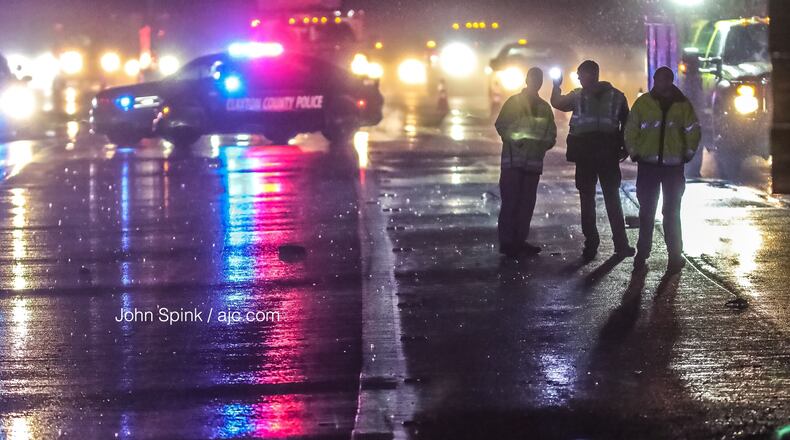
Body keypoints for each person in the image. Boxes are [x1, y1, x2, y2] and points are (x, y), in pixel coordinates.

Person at [551, 60, 635, 260]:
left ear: (590, 75)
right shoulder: (617, 96)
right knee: (611, 199)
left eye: (581, 74)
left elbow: (558, 103)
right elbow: (628, 123)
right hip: (606, 154)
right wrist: (625, 147)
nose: (579, 78)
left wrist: (556, 86)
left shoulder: (578, 96)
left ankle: (592, 245)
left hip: (587, 155)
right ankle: (620, 245)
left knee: (588, 200)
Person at [625, 66, 701, 274]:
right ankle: (645, 253)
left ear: (670, 81)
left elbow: (693, 131)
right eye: (659, 80)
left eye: (665, 80)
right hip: (652, 166)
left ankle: (674, 256)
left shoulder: (681, 105)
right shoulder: (645, 104)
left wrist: (687, 154)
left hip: (671, 168)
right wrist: (635, 152)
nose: (662, 84)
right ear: (655, 80)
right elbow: (631, 130)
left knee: (670, 212)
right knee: (648, 212)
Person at [494, 67, 557, 258]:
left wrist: (542, 146)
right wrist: (516, 141)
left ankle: (519, 241)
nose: (536, 81)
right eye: (534, 78)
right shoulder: (514, 103)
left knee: (526, 204)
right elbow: (502, 125)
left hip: (531, 164)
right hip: (514, 163)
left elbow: (551, 134)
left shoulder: (545, 107)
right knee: (511, 203)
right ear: (527, 79)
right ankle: (507, 242)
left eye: (539, 78)